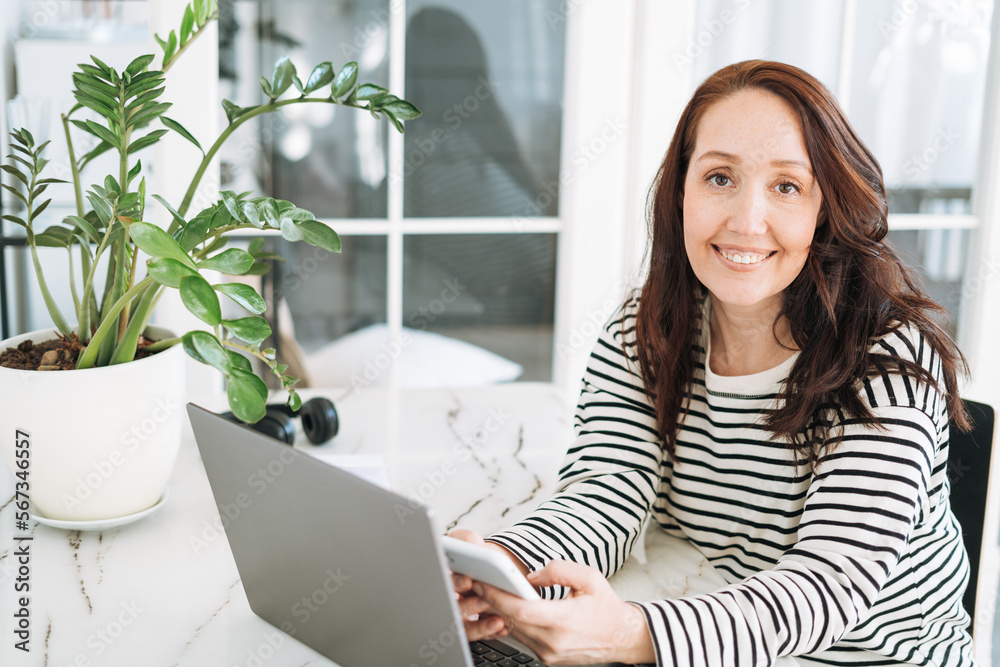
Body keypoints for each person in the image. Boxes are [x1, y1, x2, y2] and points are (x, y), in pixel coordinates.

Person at [449, 60, 976, 666]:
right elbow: (606, 491)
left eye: (787, 186)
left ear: (825, 209)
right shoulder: (645, 329)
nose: (746, 222)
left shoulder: (887, 360)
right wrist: (504, 565)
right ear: (680, 193)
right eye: (720, 178)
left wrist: (628, 633)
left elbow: (828, 585)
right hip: (719, 635)